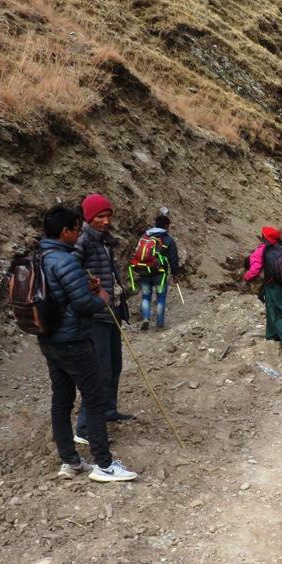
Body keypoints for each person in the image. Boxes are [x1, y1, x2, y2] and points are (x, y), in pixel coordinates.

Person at [37, 205, 137, 482]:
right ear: (66, 231)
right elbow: (82, 304)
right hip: (73, 339)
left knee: (61, 400)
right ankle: (104, 465)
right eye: (76, 229)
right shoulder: (65, 260)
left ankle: (70, 461)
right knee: (94, 398)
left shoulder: (37, 258)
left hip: (49, 339)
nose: (79, 234)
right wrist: (102, 300)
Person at [73, 193, 133, 444]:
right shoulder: (82, 240)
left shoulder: (105, 242)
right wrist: (91, 292)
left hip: (112, 312)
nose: (106, 221)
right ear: (89, 217)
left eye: (108, 216)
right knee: (99, 371)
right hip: (96, 315)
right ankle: (85, 426)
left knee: (114, 367)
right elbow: (71, 274)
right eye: (100, 216)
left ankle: (108, 410)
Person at [244, 226, 282, 357]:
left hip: (272, 287)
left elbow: (255, 269)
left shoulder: (262, 250)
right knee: (273, 311)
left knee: (277, 314)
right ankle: (272, 337)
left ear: (264, 237)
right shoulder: (281, 249)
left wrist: (246, 277)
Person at [131, 215, 180, 331]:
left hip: (144, 271)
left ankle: (146, 318)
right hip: (160, 272)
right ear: (167, 226)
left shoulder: (145, 236)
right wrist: (175, 274)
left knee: (146, 296)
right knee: (161, 298)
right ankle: (160, 325)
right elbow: (173, 259)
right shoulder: (168, 240)